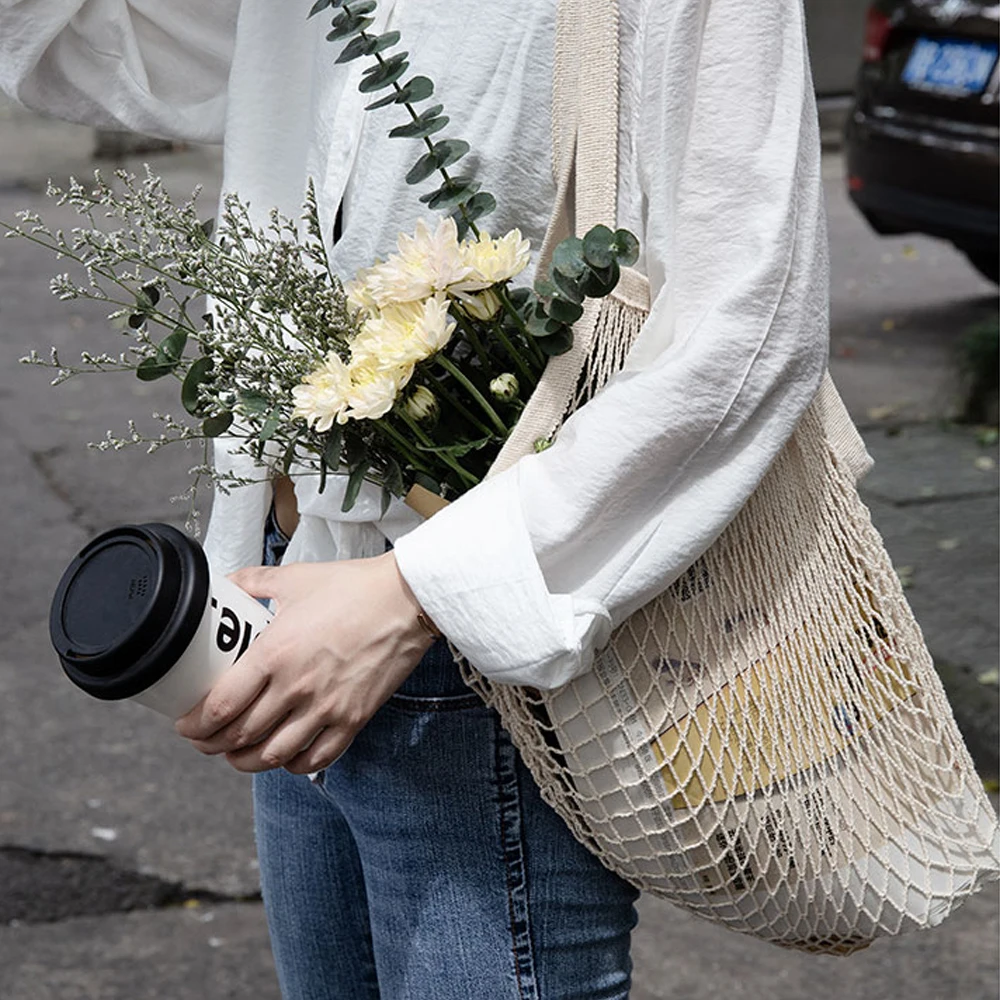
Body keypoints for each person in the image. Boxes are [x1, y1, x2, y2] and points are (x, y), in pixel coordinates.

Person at [0, 1, 829, 996]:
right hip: (291, 592)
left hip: (493, 648)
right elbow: (86, 45)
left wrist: (417, 596)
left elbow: (749, 327)